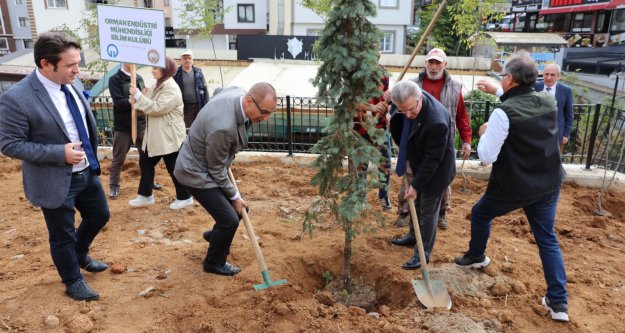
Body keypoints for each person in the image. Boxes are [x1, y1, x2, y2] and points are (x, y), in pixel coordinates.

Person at [455, 53, 569, 322]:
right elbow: (522, 106)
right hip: (549, 181)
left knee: (481, 213)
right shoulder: (548, 100)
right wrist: (498, 93)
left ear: (510, 79)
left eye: (502, 75)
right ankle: (559, 302)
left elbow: (486, 157)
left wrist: (484, 132)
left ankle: (477, 256)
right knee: (547, 239)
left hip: (515, 184)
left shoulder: (502, 114)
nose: (501, 78)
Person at [0, 32, 110, 301]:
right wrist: (58, 153)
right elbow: (9, 144)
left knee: (99, 216)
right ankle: (72, 279)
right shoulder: (17, 97)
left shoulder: (70, 82)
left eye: (78, 62)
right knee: (62, 234)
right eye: (71, 65)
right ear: (46, 64)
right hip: (53, 177)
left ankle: (79, 254)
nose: (78, 69)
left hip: (85, 170)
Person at [174, 82, 277, 276]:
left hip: (208, 164)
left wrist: (235, 198)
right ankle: (214, 262)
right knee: (230, 219)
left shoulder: (238, 92)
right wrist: (234, 196)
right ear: (248, 101)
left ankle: (216, 237)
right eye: (263, 112)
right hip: (194, 171)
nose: (265, 118)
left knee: (241, 209)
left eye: (269, 113)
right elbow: (216, 169)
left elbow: (220, 91)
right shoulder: (223, 128)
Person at [393, 48, 471, 230]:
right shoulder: (412, 84)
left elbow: (461, 116)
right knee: (412, 177)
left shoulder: (455, 87)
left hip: (442, 141)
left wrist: (466, 139)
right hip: (416, 140)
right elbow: (397, 105)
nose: (434, 66)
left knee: (440, 180)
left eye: (438, 63)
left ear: (445, 64)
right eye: (431, 62)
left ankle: (441, 213)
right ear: (425, 63)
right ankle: (405, 212)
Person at [388, 80, 455, 270]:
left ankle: (422, 253)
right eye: (403, 111)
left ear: (420, 99)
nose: (407, 115)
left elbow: (432, 161)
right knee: (415, 204)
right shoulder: (407, 98)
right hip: (420, 160)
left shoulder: (437, 122)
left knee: (427, 211)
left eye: (411, 110)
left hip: (437, 170)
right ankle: (412, 236)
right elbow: (400, 116)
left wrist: (416, 186)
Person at [128, 57, 193, 210]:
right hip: (156, 136)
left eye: (155, 68)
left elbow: (156, 108)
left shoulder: (171, 88)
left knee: (174, 167)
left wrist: (138, 97)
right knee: (145, 163)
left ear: (166, 70)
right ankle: (145, 196)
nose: (152, 71)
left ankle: (185, 197)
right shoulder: (157, 85)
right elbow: (146, 103)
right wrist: (137, 99)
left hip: (169, 136)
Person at [477, 63, 573, 152]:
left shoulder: (566, 90)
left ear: (558, 76)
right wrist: (496, 90)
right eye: (546, 74)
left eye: (552, 75)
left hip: (555, 133)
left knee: (552, 158)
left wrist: (566, 134)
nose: (548, 77)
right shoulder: (534, 86)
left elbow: (569, 114)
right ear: (542, 74)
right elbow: (518, 99)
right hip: (534, 133)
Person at [108, 63, 157, 199]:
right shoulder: (115, 79)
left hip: (141, 124)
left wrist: (143, 96)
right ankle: (114, 186)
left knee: (147, 156)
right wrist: (132, 101)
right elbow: (118, 103)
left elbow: (143, 99)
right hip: (123, 127)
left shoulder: (139, 78)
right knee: (118, 158)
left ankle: (149, 182)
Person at [353, 75, 392, 211]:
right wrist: (374, 108)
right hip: (360, 129)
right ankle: (361, 198)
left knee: (385, 163)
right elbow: (351, 102)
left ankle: (383, 194)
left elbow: (386, 100)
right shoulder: (355, 73)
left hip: (380, 128)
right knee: (361, 165)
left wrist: (386, 107)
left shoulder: (383, 75)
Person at [173, 49, 209, 128]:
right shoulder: (176, 73)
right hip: (184, 107)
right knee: (186, 129)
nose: (187, 60)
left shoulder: (198, 72)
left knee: (199, 127)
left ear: (192, 60)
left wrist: (207, 105)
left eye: (189, 58)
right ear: (181, 60)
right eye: (185, 58)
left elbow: (205, 89)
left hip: (198, 105)